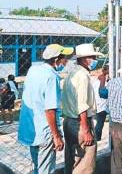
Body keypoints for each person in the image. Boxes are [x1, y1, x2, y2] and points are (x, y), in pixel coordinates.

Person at [18, 44, 73, 174]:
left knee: (38, 167)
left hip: (31, 129)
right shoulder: (51, 77)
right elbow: (50, 110)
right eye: (64, 58)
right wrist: (56, 136)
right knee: (46, 170)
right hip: (45, 131)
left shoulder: (33, 70)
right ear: (56, 59)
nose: (66, 61)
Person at [62, 43, 103, 174]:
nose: (94, 61)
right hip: (80, 122)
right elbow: (82, 105)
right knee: (86, 163)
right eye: (92, 57)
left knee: (72, 160)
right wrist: (86, 130)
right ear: (85, 59)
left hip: (69, 120)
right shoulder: (83, 76)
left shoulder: (72, 73)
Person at [91, 65, 109, 141]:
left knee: (98, 122)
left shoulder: (95, 82)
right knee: (99, 124)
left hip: (96, 105)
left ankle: (95, 137)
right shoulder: (104, 83)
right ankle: (96, 138)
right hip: (102, 106)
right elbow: (103, 94)